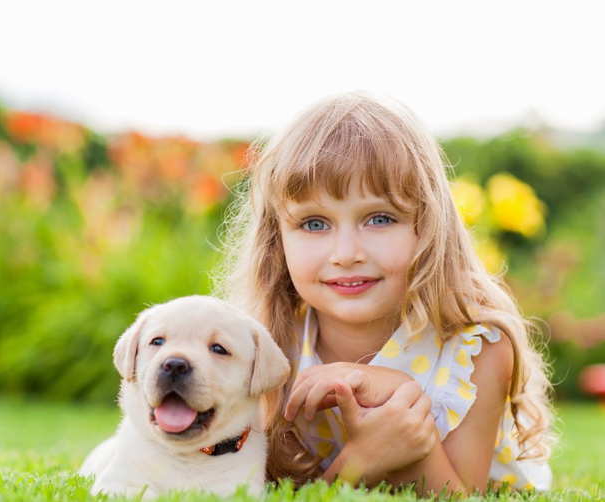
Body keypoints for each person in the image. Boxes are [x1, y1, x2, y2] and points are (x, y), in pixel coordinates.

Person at [213, 91, 555, 495]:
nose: (346, 254)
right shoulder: (269, 350)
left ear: (427, 226)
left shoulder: (475, 351)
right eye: (314, 224)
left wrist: (406, 430)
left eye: (379, 218)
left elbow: (459, 496)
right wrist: (365, 458)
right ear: (277, 239)